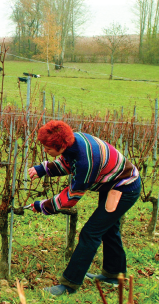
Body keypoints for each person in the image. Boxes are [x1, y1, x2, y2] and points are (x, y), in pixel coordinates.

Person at [27, 120, 140, 296]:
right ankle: (113, 275)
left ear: (61, 145)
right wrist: (42, 169)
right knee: (109, 229)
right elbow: (66, 162)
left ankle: (69, 285)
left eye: (48, 148)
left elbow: (71, 197)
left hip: (125, 188)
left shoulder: (85, 163)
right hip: (113, 183)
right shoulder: (73, 141)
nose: (45, 151)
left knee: (91, 233)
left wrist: (43, 206)